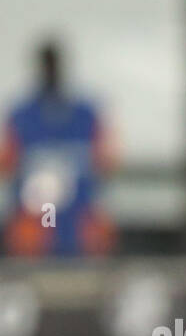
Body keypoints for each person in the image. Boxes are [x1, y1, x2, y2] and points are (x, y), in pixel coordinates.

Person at [1, 41, 116, 257]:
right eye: (47, 66)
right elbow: (6, 163)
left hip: (80, 225)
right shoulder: (21, 115)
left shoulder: (86, 113)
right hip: (33, 229)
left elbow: (107, 163)